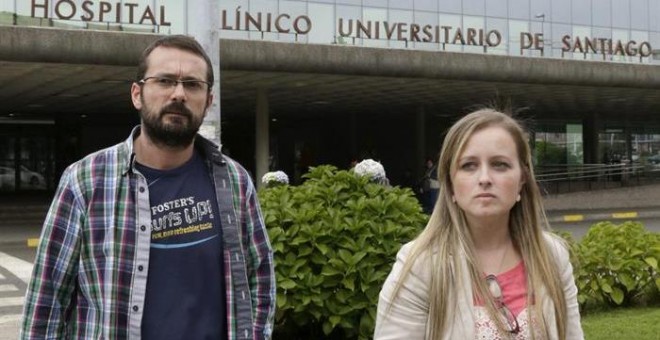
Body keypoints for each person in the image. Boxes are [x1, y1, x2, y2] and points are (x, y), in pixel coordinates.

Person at [20, 35, 275, 340]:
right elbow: (46, 301)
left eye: (192, 84)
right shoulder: (85, 181)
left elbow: (259, 278)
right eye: (165, 80)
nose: (178, 94)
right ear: (137, 94)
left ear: (208, 101)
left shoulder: (235, 181)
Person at [374, 109, 583, 339]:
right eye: (469, 166)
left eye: (500, 164)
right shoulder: (419, 266)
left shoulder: (553, 256)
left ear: (522, 179)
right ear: (450, 183)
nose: (484, 178)